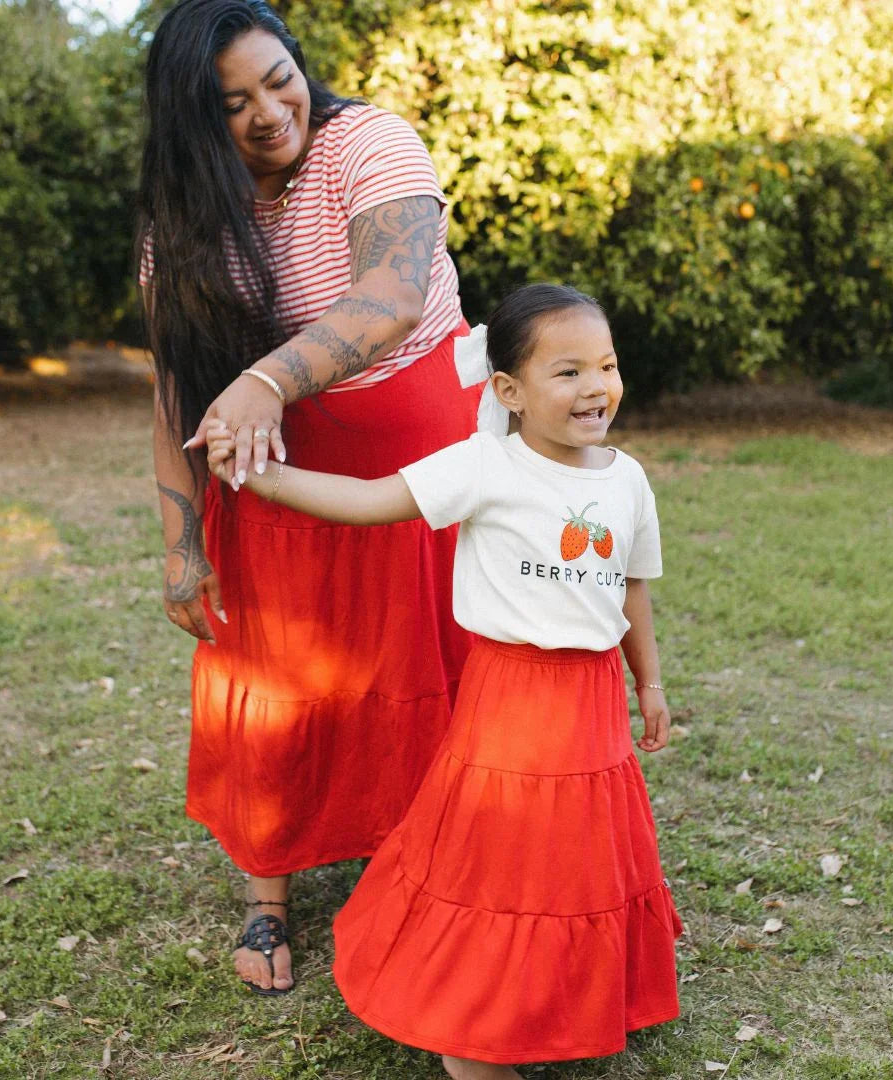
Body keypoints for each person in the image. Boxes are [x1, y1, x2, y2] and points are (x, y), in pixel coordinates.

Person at [207, 284, 684, 1077]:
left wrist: (651, 686)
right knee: (499, 857)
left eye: (606, 365)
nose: (595, 386)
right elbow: (367, 501)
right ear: (509, 391)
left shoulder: (626, 479)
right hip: (509, 696)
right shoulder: (485, 465)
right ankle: (475, 1021)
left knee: (573, 857)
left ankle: (569, 992)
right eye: (566, 372)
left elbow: (632, 589)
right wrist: (259, 477)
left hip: (592, 700)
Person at [137, 0, 480, 996]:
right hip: (268, 472)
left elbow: (392, 293)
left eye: (278, 79)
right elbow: (176, 385)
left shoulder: (368, 141)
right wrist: (176, 543)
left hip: (418, 466)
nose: (268, 113)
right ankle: (268, 898)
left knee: (429, 668)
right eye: (232, 102)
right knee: (274, 683)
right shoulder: (184, 218)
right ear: (194, 121)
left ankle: (423, 864)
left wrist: (266, 379)